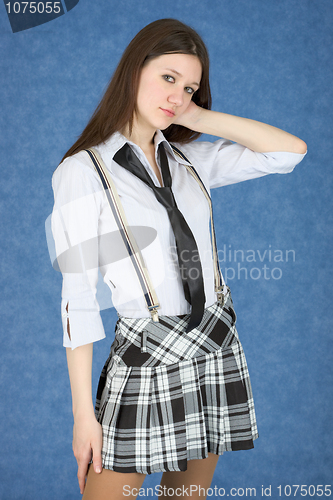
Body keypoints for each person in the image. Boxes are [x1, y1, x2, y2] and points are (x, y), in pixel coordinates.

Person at [51, 18, 307, 500]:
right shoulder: (81, 172)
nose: (176, 94)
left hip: (214, 341)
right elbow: (77, 298)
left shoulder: (193, 161)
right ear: (134, 70)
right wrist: (84, 415)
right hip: (147, 352)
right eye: (168, 78)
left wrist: (197, 117)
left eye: (189, 86)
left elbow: (289, 153)